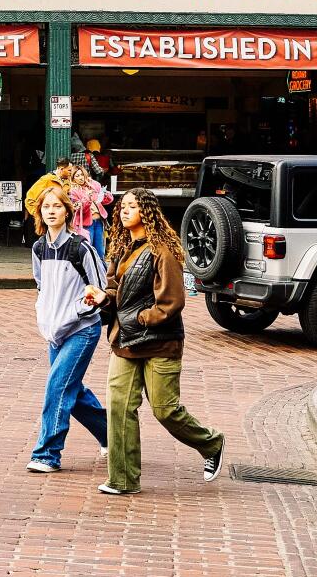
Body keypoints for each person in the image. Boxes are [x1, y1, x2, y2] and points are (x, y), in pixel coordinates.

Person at [84, 189, 223, 494]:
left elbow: (172, 302)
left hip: (160, 342)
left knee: (165, 409)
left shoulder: (162, 251)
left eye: (132, 206)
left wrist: (140, 319)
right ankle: (122, 480)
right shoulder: (120, 248)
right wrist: (101, 298)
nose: (124, 210)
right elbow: (115, 290)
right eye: (122, 206)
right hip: (126, 342)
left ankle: (211, 443)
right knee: (119, 407)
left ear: (146, 211)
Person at [27, 185, 107, 473]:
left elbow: (100, 289)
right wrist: (45, 316)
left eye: (57, 206)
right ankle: (112, 434)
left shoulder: (81, 247)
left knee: (57, 388)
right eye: (46, 207)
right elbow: (41, 285)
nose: (51, 211)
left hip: (82, 330)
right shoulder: (39, 247)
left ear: (67, 211)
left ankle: (47, 454)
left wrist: (76, 311)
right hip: (54, 333)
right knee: (72, 391)